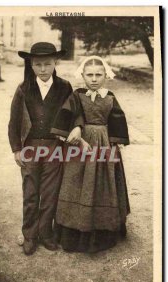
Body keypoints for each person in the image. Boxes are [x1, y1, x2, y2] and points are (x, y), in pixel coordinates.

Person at [8, 42, 82, 255]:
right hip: (30, 147)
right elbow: (14, 122)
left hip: (54, 147)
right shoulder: (23, 89)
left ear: (55, 63)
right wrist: (16, 149)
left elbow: (75, 111)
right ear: (31, 65)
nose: (43, 69)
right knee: (31, 192)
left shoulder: (64, 86)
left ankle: (46, 233)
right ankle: (30, 235)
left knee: (50, 192)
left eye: (47, 64)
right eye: (38, 64)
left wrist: (77, 126)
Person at [51, 55, 130, 253]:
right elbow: (67, 114)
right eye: (90, 75)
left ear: (105, 75)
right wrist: (74, 130)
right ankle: (73, 230)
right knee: (76, 181)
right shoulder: (77, 95)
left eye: (98, 75)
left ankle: (103, 228)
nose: (94, 79)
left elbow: (117, 119)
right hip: (81, 145)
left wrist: (114, 143)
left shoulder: (110, 96)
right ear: (83, 75)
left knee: (104, 183)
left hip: (104, 146)